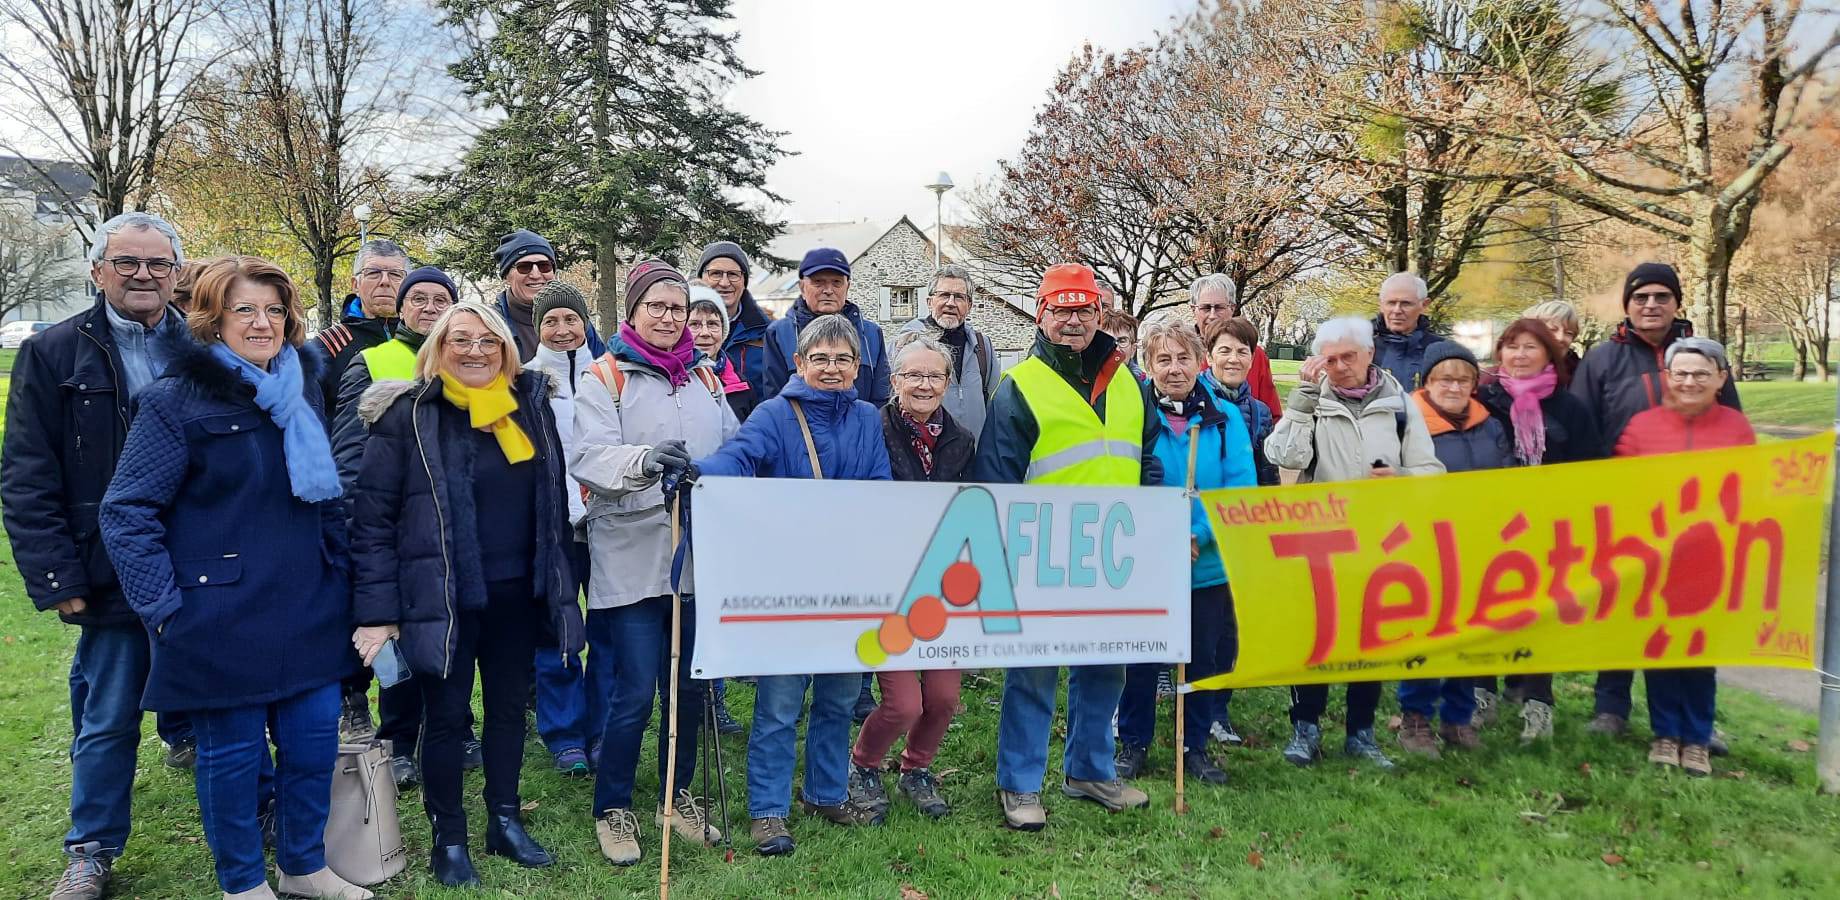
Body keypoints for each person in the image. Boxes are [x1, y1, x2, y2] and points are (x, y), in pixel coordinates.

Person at [98, 256, 370, 900]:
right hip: (218, 614)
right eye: (244, 309)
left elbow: (326, 497)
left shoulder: (299, 386)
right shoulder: (174, 400)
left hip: (308, 601)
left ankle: (303, 868)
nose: (263, 322)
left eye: (274, 310)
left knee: (310, 750)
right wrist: (163, 608)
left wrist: (350, 583)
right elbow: (127, 509)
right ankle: (242, 884)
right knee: (233, 760)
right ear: (211, 318)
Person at [349, 302, 582, 887]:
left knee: (507, 713)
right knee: (447, 717)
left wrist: (558, 585)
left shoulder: (530, 407)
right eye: (461, 340)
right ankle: (448, 839)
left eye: (488, 341)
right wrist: (378, 612)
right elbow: (372, 520)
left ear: (506, 349)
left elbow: (552, 502)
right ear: (437, 347)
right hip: (443, 597)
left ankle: (503, 818)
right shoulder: (408, 415)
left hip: (518, 594)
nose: (475, 350)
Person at [2, 212, 196, 900]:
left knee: (221, 695)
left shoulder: (202, 344)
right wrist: (56, 575)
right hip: (108, 562)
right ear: (97, 271)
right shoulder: (54, 353)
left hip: (200, 560)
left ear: (178, 272)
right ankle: (91, 849)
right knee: (109, 713)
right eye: (127, 263)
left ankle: (251, 802)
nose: (143, 276)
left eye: (157, 264)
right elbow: (28, 473)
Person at [972, 263, 1162, 832]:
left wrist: (1153, 521)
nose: (1073, 320)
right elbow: (998, 478)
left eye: (1083, 310)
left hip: (1113, 554)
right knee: (1033, 672)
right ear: (1041, 315)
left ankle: (1089, 770)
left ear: (1099, 315)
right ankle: (1020, 783)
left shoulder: (1128, 382)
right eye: (1061, 309)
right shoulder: (1020, 387)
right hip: (1041, 554)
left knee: (1106, 665)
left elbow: (1147, 459)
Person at [695, 313, 894, 856]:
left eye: (843, 359)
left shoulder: (868, 420)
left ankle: (825, 792)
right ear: (800, 364)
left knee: (836, 695)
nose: (831, 368)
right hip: (787, 581)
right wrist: (698, 474)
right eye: (820, 359)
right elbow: (737, 458)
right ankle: (768, 809)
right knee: (782, 701)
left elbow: (880, 482)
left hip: (850, 580)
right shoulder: (774, 414)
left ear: (858, 367)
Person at [571, 260, 736, 865]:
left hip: (694, 553)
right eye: (656, 307)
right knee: (636, 689)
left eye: (677, 308)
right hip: (633, 554)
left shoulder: (705, 379)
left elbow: (732, 444)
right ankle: (613, 806)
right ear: (634, 312)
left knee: (688, 688)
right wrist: (645, 461)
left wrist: (715, 474)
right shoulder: (605, 376)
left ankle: (677, 794)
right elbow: (589, 457)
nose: (668, 318)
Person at [1265, 315, 1444, 770]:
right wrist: (1302, 404)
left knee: (1372, 638)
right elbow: (1283, 456)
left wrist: (1401, 477)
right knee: (1318, 636)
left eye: (1350, 356)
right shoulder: (1314, 400)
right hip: (1323, 541)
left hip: (1383, 544)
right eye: (1331, 358)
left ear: (1370, 355)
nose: (1341, 366)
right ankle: (1306, 728)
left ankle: (1361, 732)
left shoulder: (1400, 405)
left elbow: (1432, 473)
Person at [1570, 262, 1740, 738]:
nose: (1651, 305)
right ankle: (1611, 708)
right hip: (1623, 508)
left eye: (1661, 297)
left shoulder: (1701, 357)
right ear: (1627, 304)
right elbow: (1583, 430)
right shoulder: (1603, 359)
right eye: (1641, 297)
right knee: (1623, 604)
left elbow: (1733, 428)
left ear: (1677, 304)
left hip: (1694, 514)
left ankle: (1694, 720)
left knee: (1688, 611)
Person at [328, 265, 478, 786]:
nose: (430, 306)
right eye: (420, 298)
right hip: (397, 520)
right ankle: (398, 738)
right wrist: (360, 515)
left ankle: (456, 726)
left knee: (455, 635)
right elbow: (349, 451)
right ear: (404, 307)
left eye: (442, 298)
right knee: (402, 638)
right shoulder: (372, 360)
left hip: (457, 526)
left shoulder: (470, 362)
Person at [1113, 319, 1256, 787]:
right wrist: (1163, 536)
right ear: (1147, 365)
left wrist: (1196, 534)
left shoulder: (1224, 417)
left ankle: (1194, 746)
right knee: (1144, 656)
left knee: (1201, 658)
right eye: (1162, 360)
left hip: (1205, 562)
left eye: (1182, 359)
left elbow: (1239, 488)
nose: (1174, 369)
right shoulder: (1134, 415)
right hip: (1150, 557)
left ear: (1200, 362)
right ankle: (1134, 742)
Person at [846, 335, 976, 821]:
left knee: (943, 698)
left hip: (941, 586)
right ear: (895, 380)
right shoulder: (872, 428)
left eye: (934, 376)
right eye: (913, 376)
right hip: (885, 585)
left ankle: (916, 768)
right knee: (903, 704)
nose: (924, 385)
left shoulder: (961, 439)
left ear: (947, 382)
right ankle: (863, 764)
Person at [1614, 337, 1754, 777]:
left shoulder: (1736, 428)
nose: (1690, 381)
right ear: (1667, 378)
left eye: (1700, 374)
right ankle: (1664, 734)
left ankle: (1697, 739)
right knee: (1660, 648)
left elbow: (1750, 490)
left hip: (1710, 559)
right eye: (1681, 374)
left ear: (1720, 379)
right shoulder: (1641, 427)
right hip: (1656, 559)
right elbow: (1616, 491)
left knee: (1698, 650)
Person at [1476, 318, 1604, 741]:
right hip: (1491, 528)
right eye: (1512, 347)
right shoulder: (1483, 401)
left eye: (1531, 347)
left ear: (1550, 353)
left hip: (1550, 531)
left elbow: (1590, 470)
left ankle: (1538, 702)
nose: (1520, 355)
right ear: (1500, 354)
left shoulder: (1570, 408)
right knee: (1488, 609)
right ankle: (1483, 693)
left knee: (1540, 614)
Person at [303, 239, 410, 744]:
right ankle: (353, 699)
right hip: (349, 490)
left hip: (408, 494)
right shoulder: (328, 346)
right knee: (356, 600)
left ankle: (407, 704)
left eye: (394, 275)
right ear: (355, 282)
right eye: (375, 274)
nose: (385, 283)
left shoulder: (426, 340)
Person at [1393, 341, 1511, 760]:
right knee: (1427, 632)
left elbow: (1506, 477)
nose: (1455, 386)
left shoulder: (1490, 425)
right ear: (1428, 382)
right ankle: (1415, 718)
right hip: (1423, 545)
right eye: (1446, 378)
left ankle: (1458, 717)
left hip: (1476, 543)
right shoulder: (1405, 420)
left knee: (1470, 630)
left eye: (1464, 379)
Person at [522, 281, 598, 777]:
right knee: (557, 632)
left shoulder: (610, 376)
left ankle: (602, 727)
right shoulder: (524, 381)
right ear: (538, 328)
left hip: (606, 522)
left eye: (571, 318)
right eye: (552, 321)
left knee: (610, 632)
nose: (563, 329)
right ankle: (565, 733)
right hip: (552, 526)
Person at [1200, 317, 1278, 747]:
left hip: (1242, 527)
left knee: (1230, 626)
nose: (1233, 358)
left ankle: (1218, 710)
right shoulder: (1195, 399)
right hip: (1201, 529)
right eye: (1224, 350)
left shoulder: (1259, 411)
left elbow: (1266, 471)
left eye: (1242, 351)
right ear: (1208, 357)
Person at [686, 282, 753, 737]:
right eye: (696, 322)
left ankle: (716, 701)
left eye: (714, 322)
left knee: (716, 607)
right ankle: (688, 699)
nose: (705, 330)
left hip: (725, 509)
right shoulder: (683, 379)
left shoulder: (737, 381)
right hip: (679, 504)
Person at [757, 247, 891, 407]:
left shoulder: (871, 334)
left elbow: (881, 396)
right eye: (818, 282)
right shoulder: (779, 333)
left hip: (861, 429)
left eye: (836, 283)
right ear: (802, 287)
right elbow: (775, 397)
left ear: (847, 286)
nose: (828, 290)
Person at [899, 264, 1001, 439]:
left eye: (959, 297)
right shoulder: (907, 344)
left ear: (969, 305)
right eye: (944, 295)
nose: (951, 303)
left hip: (974, 458)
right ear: (929, 302)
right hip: (923, 459)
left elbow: (996, 406)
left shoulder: (983, 347)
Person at [491, 229, 606, 363]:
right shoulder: (491, 326)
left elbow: (602, 369)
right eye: (524, 267)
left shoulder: (576, 319)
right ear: (506, 276)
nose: (535, 275)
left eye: (544, 266)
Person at [696, 241, 771, 420]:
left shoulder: (767, 336)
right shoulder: (677, 331)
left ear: (744, 281)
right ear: (701, 278)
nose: (724, 282)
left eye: (733, 274)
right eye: (715, 274)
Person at [1191, 274, 1279, 416]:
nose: (1212, 315)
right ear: (1193, 309)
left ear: (1232, 308)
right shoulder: (1181, 354)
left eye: (1219, 307)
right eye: (1206, 308)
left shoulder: (1254, 355)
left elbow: (1272, 414)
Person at [689, 283, 757, 424]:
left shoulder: (742, 384)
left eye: (713, 324)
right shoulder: (672, 383)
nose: (705, 333)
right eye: (694, 324)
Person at [1372, 272, 1443, 388]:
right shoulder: (1362, 349)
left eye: (1406, 304)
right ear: (1381, 304)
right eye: (1391, 303)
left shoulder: (1441, 352)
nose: (1397, 310)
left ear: (1424, 305)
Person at [1521, 300, 1583, 382]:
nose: (1560, 338)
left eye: (1568, 333)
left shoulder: (1582, 375)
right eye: (1552, 330)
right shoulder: (1509, 372)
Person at [1102, 308, 1145, 383]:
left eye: (1122, 341)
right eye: (1108, 341)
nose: (1116, 349)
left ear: (1133, 350)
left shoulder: (1144, 386)